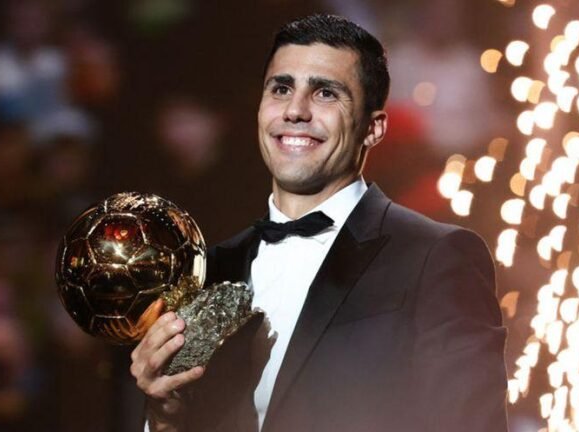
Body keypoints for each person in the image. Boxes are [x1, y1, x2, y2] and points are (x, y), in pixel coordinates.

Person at [130, 14, 507, 432]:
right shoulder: (211, 269)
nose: (295, 110)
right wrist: (164, 420)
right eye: (281, 88)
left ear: (373, 128)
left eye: (326, 93)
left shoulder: (435, 257)